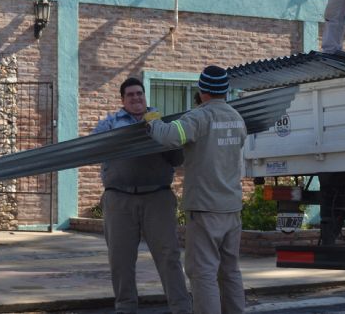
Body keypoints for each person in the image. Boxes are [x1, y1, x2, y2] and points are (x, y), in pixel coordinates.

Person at [147, 66, 247, 314]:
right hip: (231, 208)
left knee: (202, 273)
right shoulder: (237, 118)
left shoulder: (200, 117)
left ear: (202, 90)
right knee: (230, 271)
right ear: (225, 91)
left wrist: (152, 120)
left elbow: (170, 136)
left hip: (204, 209)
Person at [92, 78, 192, 314]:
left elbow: (178, 159)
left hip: (157, 198)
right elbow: (94, 149)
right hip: (119, 200)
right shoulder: (109, 124)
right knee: (121, 260)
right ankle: (125, 307)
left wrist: (161, 132)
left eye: (140, 94)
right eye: (130, 95)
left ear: (145, 97)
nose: (136, 98)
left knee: (168, 256)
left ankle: (181, 308)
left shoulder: (162, 123)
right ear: (122, 100)